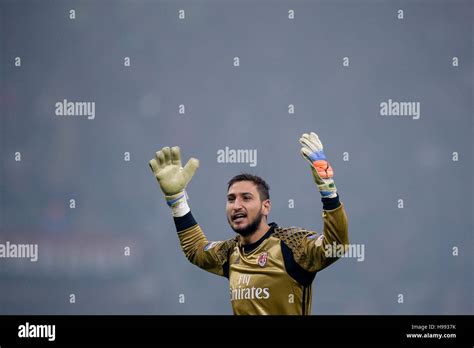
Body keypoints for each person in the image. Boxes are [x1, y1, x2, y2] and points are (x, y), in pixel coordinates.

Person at [149, 131, 349, 315]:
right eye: (231, 199)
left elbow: (336, 246)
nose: (236, 205)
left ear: (266, 207)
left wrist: (328, 189)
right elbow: (195, 249)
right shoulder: (230, 253)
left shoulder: (292, 245)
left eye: (246, 198)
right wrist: (177, 200)